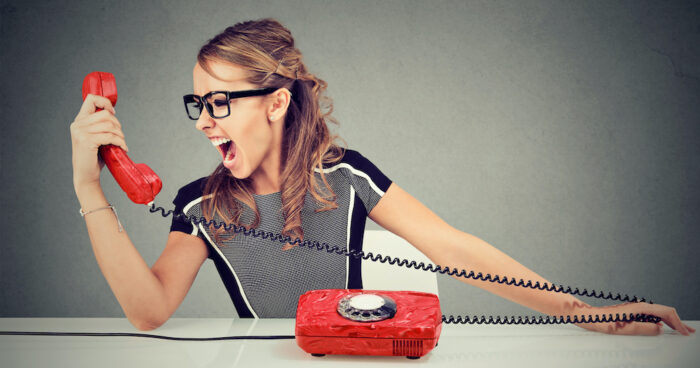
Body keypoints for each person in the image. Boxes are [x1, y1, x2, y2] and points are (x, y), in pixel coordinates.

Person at [70, 18, 694, 336]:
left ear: (277, 102)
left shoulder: (343, 177)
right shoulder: (200, 206)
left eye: (221, 102)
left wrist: (586, 313)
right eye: (198, 103)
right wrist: (90, 187)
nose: (205, 122)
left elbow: (454, 248)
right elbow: (149, 310)